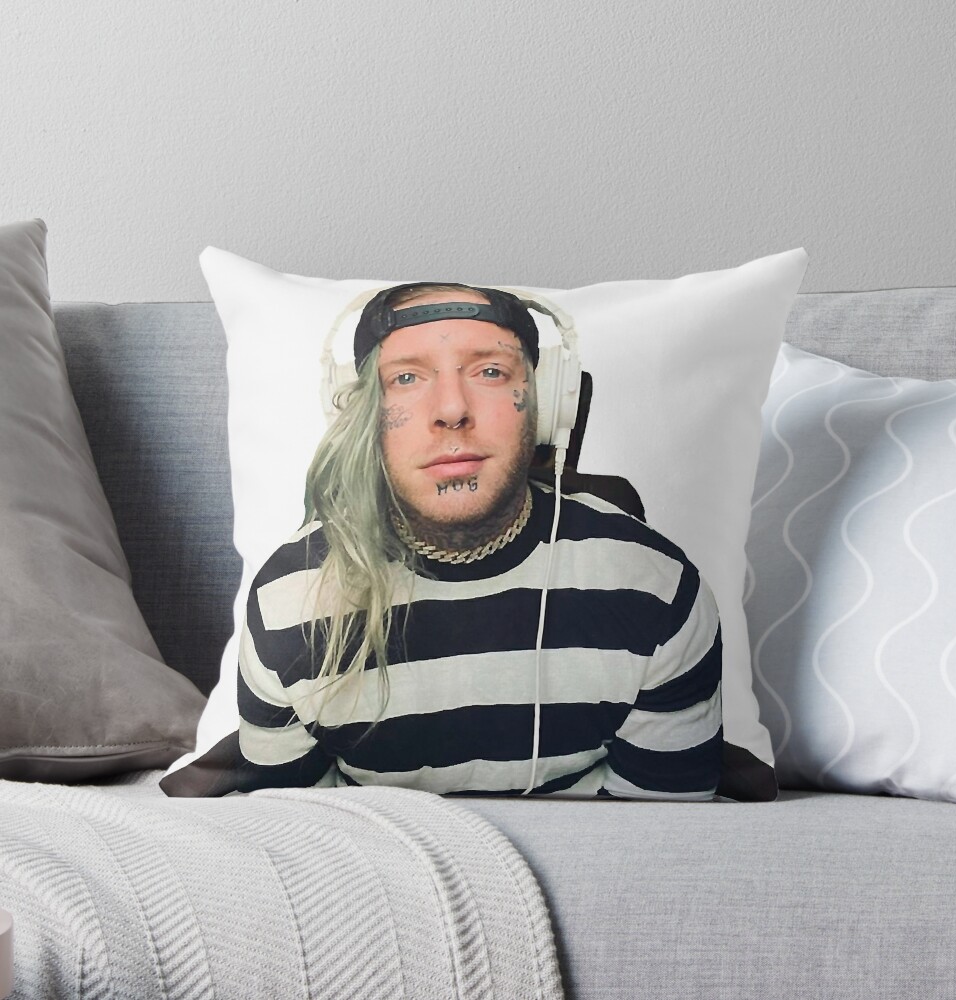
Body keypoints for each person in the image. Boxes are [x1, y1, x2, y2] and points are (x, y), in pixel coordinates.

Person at [234, 282, 723, 799]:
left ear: (547, 401)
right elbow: (297, 830)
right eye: (406, 377)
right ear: (362, 417)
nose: (451, 410)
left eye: (490, 372)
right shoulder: (286, 603)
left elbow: (661, 837)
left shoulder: (658, 590)